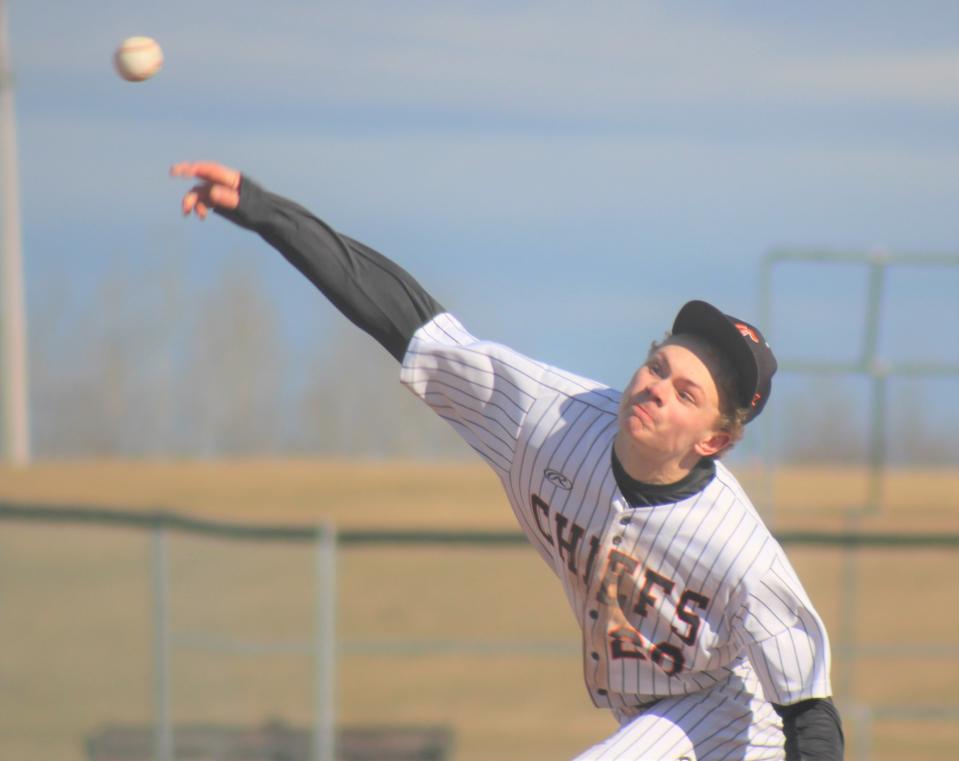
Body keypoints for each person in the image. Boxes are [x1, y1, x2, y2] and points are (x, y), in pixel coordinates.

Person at [171, 161, 844, 761]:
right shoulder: (546, 417)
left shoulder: (737, 551)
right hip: (648, 714)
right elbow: (407, 323)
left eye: (685, 392)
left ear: (713, 440)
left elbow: (809, 710)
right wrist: (266, 212)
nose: (656, 388)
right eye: (657, 365)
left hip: (732, 720)